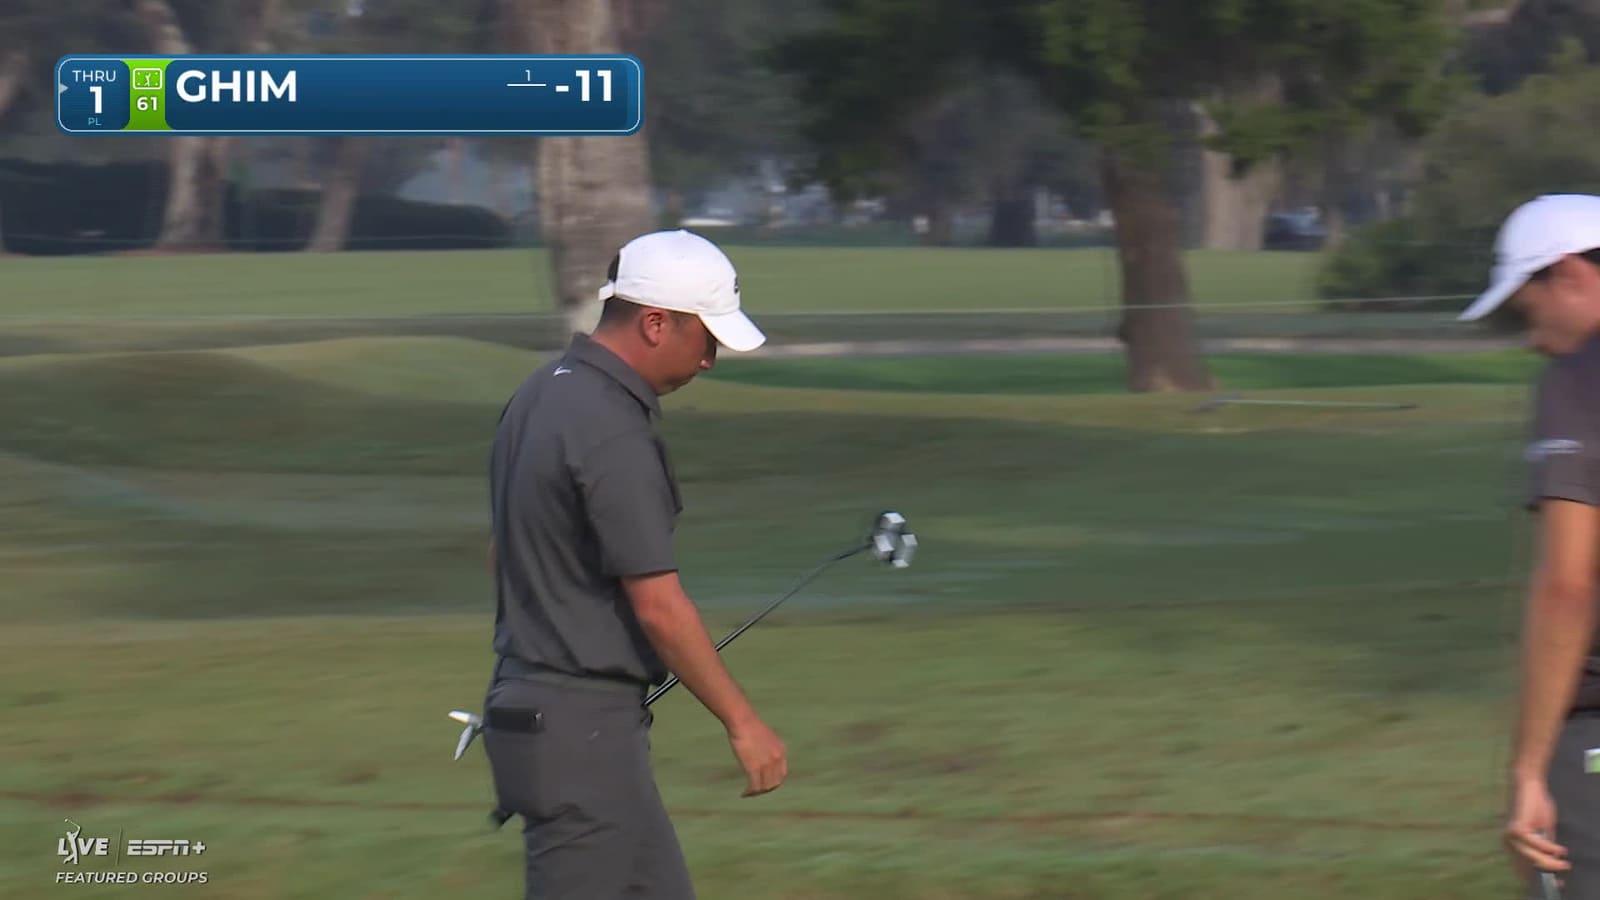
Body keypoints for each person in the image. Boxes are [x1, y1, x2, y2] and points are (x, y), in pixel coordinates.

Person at [480, 229, 788, 899]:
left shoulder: (537, 396)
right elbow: (659, 605)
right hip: (580, 737)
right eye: (705, 337)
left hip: (540, 715)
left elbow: (503, 553)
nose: (708, 359)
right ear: (656, 323)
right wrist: (744, 723)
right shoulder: (612, 427)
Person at [1460, 194, 1600, 899]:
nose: (1533, 340)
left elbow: (1569, 586)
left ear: (1571, 274)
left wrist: (1528, 770)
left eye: (1529, 311)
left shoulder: (1579, 382)